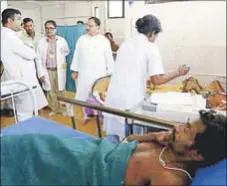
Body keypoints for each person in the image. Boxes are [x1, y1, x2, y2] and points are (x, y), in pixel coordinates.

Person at [1, 110, 226, 185]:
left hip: (88, 172)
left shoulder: (171, 179)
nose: (177, 128)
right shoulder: (168, 144)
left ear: (196, 154)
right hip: (95, 151)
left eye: (186, 130)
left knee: (36, 155)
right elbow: (126, 143)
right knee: (37, 142)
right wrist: (153, 135)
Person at [103, 14, 190, 142]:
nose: (155, 39)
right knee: (127, 141)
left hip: (113, 98)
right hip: (130, 101)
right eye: (156, 35)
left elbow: (131, 70)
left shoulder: (126, 43)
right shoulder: (151, 47)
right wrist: (178, 72)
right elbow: (157, 80)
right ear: (152, 33)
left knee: (113, 140)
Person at [1, 8, 48, 122]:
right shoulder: (10, 37)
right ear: (9, 21)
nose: (21, 22)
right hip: (22, 83)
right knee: (24, 114)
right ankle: (27, 137)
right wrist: (30, 47)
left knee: (24, 112)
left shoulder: (8, 36)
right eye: (18, 19)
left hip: (18, 80)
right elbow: (30, 54)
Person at [70, 17, 114, 122]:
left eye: (90, 26)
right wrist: (74, 70)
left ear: (98, 27)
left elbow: (109, 58)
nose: (87, 27)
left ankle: (100, 118)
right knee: (83, 95)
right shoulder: (81, 39)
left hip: (99, 75)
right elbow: (77, 55)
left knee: (98, 96)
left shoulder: (104, 41)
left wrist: (111, 75)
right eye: (87, 25)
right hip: (84, 74)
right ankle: (86, 116)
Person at [37, 20, 70, 114]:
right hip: (47, 70)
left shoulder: (62, 40)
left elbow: (67, 51)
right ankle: (54, 109)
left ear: (55, 29)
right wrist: (40, 73)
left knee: (61, 89)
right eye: (47, 28)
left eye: (51, 28)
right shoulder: (41, 42)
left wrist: (60, 55)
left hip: (59, 69)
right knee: (50, 90)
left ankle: (63, 108)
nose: (49, 30)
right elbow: (38, 58)